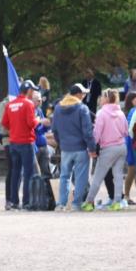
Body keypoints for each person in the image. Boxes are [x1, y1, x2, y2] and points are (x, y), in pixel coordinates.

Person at [52, 83, 96, 211]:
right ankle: (76, 204)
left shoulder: (58, 108)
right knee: (81, 176)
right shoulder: (82, 108)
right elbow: (87, 131)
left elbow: (54, 129)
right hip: (81, 148)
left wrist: (61, 143)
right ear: (77, 94)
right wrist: (92, 148)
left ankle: (61, 203)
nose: (83, 96)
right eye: (82, 93)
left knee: (64, 176)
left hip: (66, 148)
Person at [83, 89, 127, 211]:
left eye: (102, 96)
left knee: (98, 176)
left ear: (107, 99)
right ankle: (117, 202)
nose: (100, 98)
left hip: (108, 148)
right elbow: (125, 131)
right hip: (121, 147)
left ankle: (89, 202)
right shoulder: (121, 112)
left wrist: (91, 147)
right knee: (118, 176)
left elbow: (96, 134)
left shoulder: (101, 113)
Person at [1, 80, 39, 210]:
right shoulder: (28, 104)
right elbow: (31, 123)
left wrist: (15, 128)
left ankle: (14, 202)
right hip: (26, 142)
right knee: (28, 173)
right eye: (33, 90)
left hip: (13, 142)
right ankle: (26, 202)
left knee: (15, 172)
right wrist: (37, 120)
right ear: (28, 91)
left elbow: (4, 123)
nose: (33, 92)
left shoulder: (10, 104)